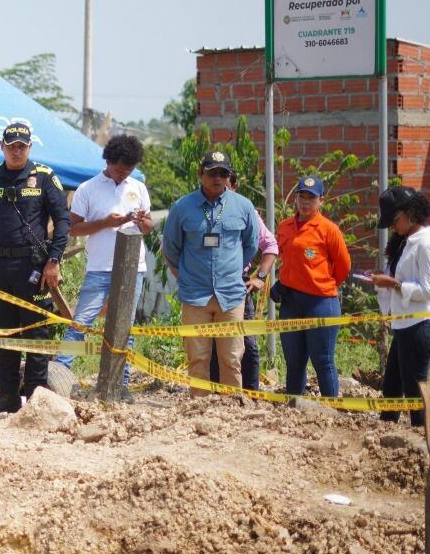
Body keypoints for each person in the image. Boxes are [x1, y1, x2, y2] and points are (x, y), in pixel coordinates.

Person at [0, 122, 71, 416]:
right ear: (2, 146)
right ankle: (8, 395)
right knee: (6, 333)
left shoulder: (45, 177)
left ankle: (36, 399)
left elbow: (63, 220)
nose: (16, 151)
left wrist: (54, 260)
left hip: (33, 269)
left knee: (36, 333)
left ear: (29, 148)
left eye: (21, 146)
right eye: (11, 146)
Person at [160, 150, 259, 397]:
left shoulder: (243, 206)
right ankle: (199, 407)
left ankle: (230, 409)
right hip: (195, 295)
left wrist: (234, 271)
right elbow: (170, 248)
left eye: (223, 173)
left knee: (232, 357)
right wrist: (184, 275)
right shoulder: (182, 207)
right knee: (198, 358)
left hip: (231, 295)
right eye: (212, 173)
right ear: (200, 174)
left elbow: (251, 245)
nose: (218, 178)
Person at [63, 134, 153, 392]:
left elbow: (148, 227)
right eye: (119, 169)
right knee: (80, 322)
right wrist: (106, 222)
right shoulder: (87, 189)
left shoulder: (138, 188)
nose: (123, 175)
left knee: (125, 327)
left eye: (129, 170)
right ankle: (60, 373)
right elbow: (74, 229)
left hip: (132, 268)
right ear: (108, 161)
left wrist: (142, 222)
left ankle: (120, 385)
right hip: (99, 268)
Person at [275, 175, 351, 397]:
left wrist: (322, 284)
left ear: (321, 201)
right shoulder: (284, 226)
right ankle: (294, 411)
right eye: (302, 196)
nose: (305, 202)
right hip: (291, 303)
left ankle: (332, 410)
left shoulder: (329, 229)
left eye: (311, 197)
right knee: (294, 361)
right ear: (296, 198)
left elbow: (344, 267)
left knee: (323, 361)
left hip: (321, 303)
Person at [373, 186, 430, 428]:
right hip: (404, 325)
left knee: (415, 392)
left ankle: (422, 442)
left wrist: (395, 284)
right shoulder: (404, 243)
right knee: (391, 386)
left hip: (420, 325)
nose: (393, 226)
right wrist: (386, 283)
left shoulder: (426, 244)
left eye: (395, 220)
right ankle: (384, 437)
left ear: (410, 214)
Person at [210, 171, 279, 390]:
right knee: (210, 342)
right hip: (206, 285)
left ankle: (250, 394)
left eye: (225, 185)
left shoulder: (246, 211)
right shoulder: (200, 209)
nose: (221, 190)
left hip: (238, 285)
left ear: (234, 186)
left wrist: (259, 277)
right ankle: (214, 394)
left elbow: (270, 246)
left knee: (246, 343)